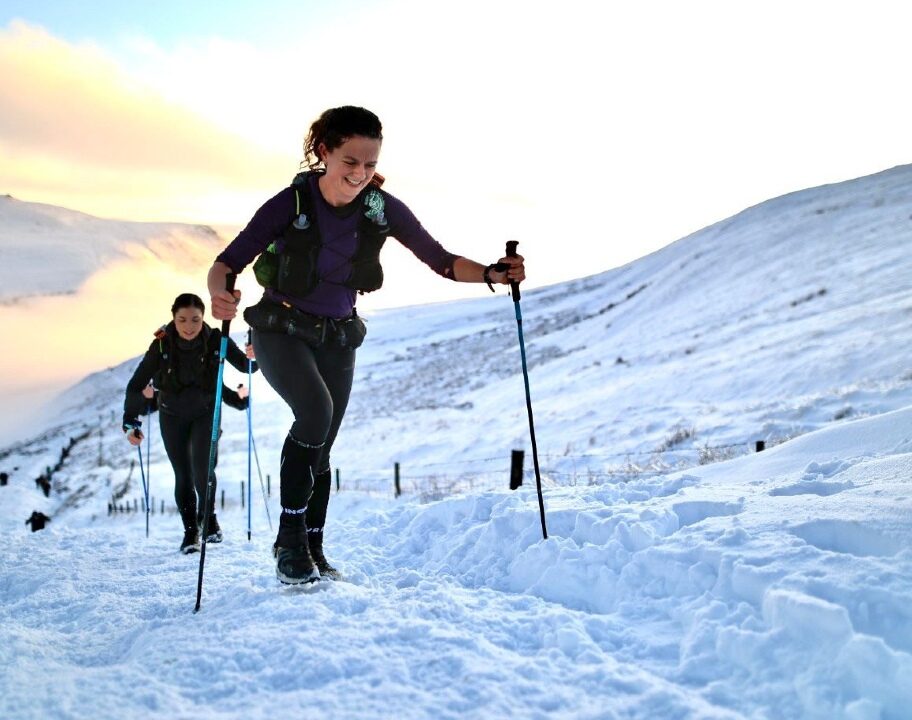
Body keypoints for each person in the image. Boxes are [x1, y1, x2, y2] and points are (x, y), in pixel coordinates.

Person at [207, 105, 525, 585]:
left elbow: (438, 259)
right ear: (323, 152)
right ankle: (288, 541)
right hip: (281, 328)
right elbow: (226, 263)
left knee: (324, 443)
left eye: (370, 163)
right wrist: (219, 294)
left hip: (337, 335)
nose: (360, 174)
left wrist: (490, 274)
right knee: (313, 414)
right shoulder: (290, 204)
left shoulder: (381, 208)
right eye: (350, 161)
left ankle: (312, 545)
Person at [122, 293, 256, 554]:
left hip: (206, 413)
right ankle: (191, 532)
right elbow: (136, 385)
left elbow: (248, 367)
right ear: (173, 318)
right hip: (171, 415)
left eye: (195, 319)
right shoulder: (161, 345)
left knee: (203, 472)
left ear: (203, 317)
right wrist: (130, 422)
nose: (189, 326)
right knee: (183, 474)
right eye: (182, 319)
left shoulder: (218, 340)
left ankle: (208, 519)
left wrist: (256, 352)